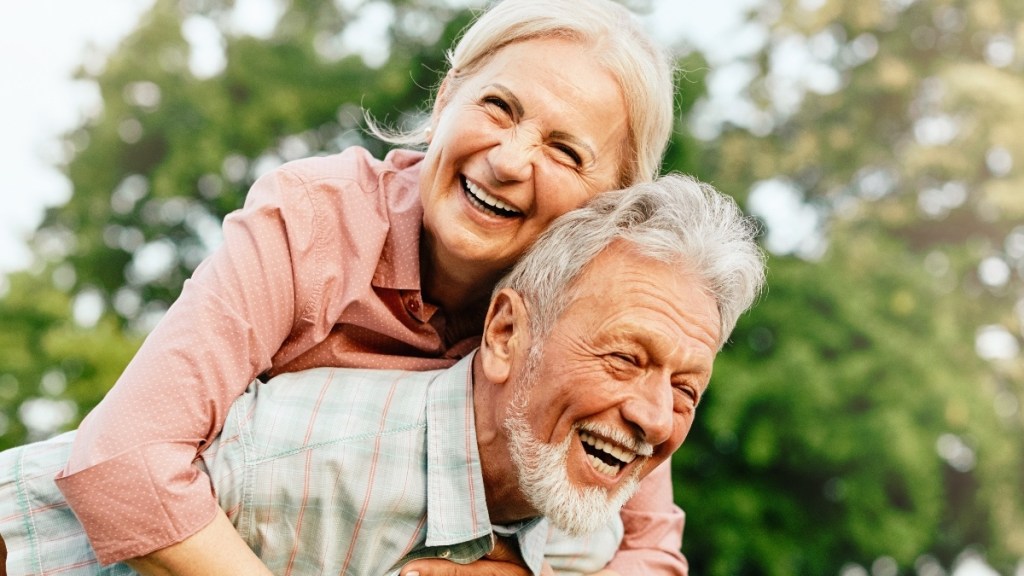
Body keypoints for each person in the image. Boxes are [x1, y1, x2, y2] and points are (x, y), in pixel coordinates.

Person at [50, 0, 682, 574]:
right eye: (498, 107)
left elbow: (650, 551)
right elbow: (124, 457)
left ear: (611, 205)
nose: (509, 161)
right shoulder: (311, 222)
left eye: (566, 151)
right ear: (444, 100)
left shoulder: (594, 317)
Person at [0, 175, 766, 576]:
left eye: (686, 390)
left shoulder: (587, 521)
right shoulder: (290, 461)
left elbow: (658, 552)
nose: (655, 416)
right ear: (504, 334)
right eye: (625, 358)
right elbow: (50, 504)